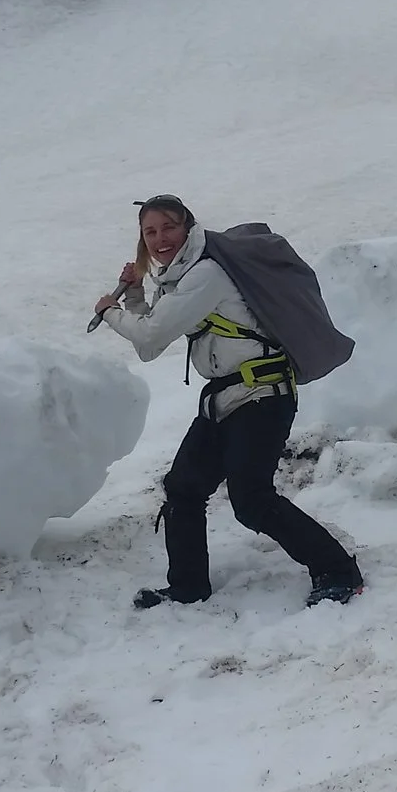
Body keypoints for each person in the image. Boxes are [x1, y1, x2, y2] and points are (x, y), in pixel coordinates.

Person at [95, 195, 366, 609]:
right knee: (183, 488)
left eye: (168, 227)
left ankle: (338, 571)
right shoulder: (179, 278)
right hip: (226, 398)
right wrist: (133, 295)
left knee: (251, 499)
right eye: (150, 232)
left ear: (188, 227)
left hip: (263, 395)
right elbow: (151, 341)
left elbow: (149, 335)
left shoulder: (206, 275)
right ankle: (188, 587)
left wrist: (110, 311)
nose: (160, 238)